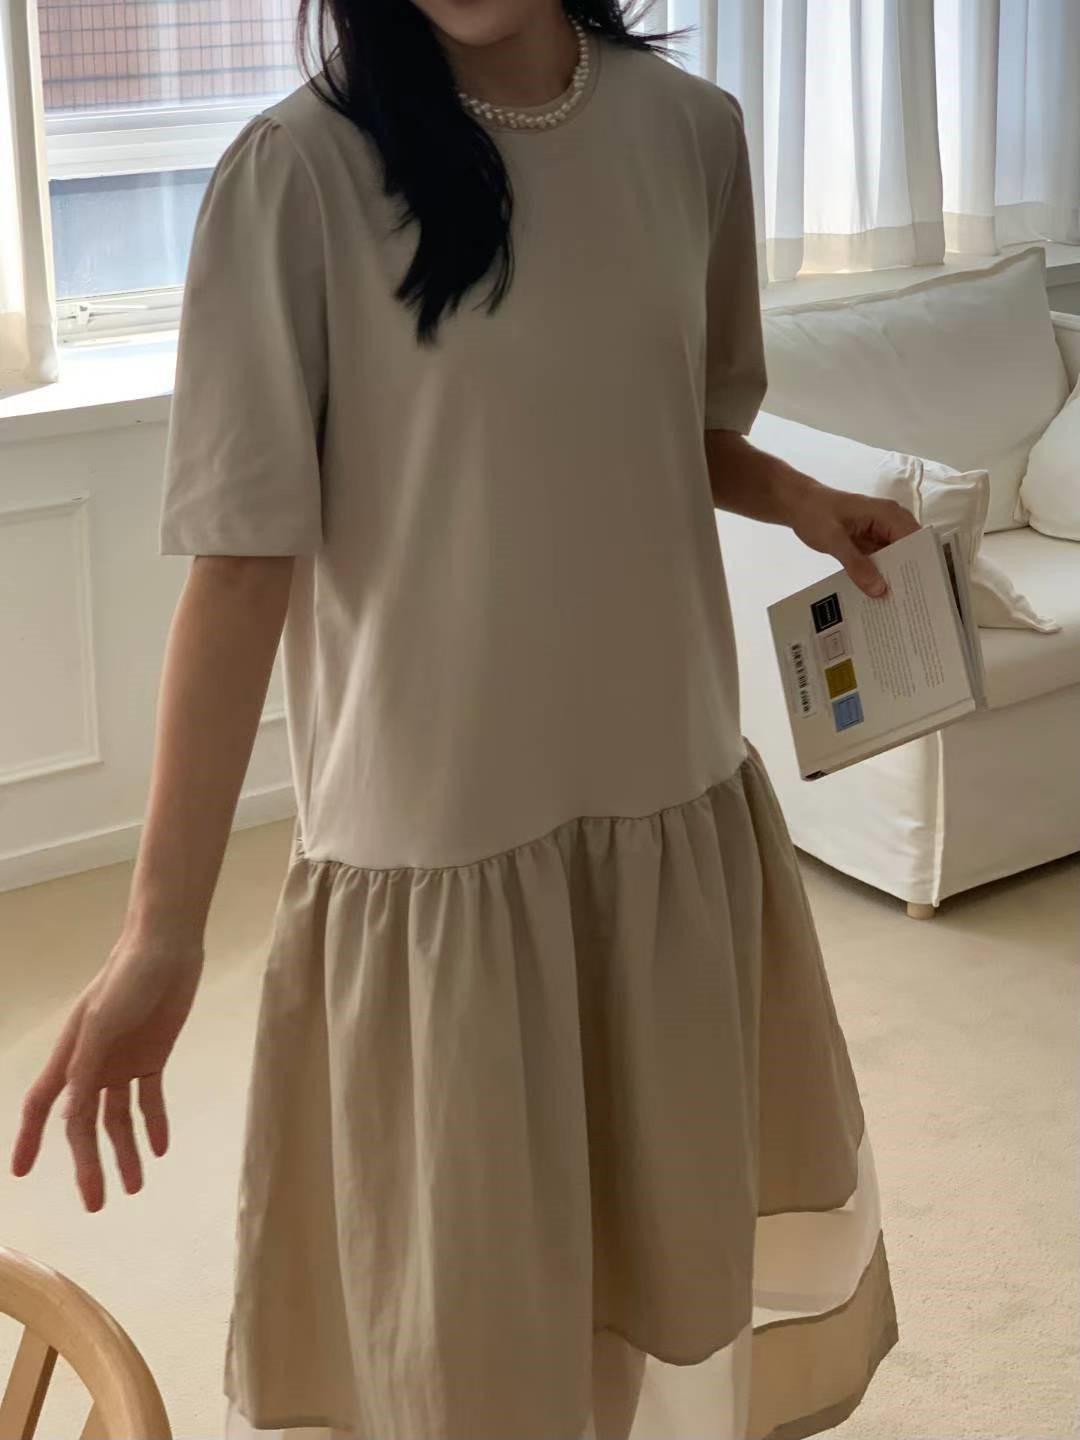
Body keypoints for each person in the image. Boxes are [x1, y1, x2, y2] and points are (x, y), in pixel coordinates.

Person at [10, 0, 911, 1435]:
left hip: (662, 789)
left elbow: (679, 419)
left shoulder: (692, 134)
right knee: (466, 1331)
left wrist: (796, 497)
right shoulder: (297, 172)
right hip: (441, 839)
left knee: (660, 1281)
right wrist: (159, 931)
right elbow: (239, 570)